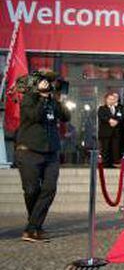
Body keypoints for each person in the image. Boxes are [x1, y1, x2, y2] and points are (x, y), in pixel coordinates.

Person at [16, 72, 71, 242]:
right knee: (31, 190)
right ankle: (35, 226)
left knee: (49, 189)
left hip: (51, 152)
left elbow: (66, 117)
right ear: (38, 83)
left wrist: (57, 98)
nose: (49, 84)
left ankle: (32, 228)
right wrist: (40, 96)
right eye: (46, 81)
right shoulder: (29, 99)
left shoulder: (53, 100)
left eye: (50, 82)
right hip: (29, 151)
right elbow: (34, 116)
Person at [98, 92, 124, 167]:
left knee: (115, 148)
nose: (111, 100)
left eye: (113, 99)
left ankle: (114, 162)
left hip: (115, 132)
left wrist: (117, 121)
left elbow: (120, 117)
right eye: (109, 99)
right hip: (105, 132)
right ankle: (105, 164)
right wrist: (110, 120)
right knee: (105, 148)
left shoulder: (118, 108)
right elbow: (102, 116)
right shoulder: (102, 108)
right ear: (106, 100)